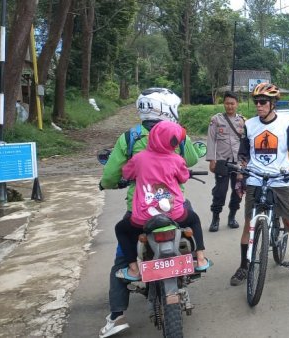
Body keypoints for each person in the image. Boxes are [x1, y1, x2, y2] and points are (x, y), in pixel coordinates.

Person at [98, 88, 199, 338]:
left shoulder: (130, 137)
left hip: (140, 211)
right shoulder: (177, 135)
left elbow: (112, 174)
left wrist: (108, 183)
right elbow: (192, 161)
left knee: (122, 257)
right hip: (173, 210)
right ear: (167, 109)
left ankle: (117, 314)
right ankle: (196, 258)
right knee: (191, 219)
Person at [229, 82, 289, 286]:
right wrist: (241, 176)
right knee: (249, 225)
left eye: (263, 101)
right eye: (256, 101)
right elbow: (243, 154)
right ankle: (243, 266)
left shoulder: (285, 124)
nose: (258, 105)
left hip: (280, 179)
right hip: (256, 178)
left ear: (273, 103)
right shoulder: (249, 125)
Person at [116, 120, 210, 281]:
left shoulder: (139, 159)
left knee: (121, 229)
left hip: (144, 218)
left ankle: (133, 269)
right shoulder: (176, 160)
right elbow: (183, 177)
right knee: (194, 219)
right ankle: (200, 258)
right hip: (174, 214)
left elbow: (126, 173)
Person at [206, 91, 246, 232]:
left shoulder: (242, 121)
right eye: (227, 103)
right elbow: (211, 140)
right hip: (222, 161)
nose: (230, 106)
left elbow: (245, 142)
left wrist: (246, 162)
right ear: (224, 104)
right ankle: (215, 218)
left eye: (232, 103)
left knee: (237, 191)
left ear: (237, 104)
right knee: (220, 192)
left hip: (239, 162)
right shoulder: (216, 120)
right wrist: (212, 159)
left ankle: (232, 216)